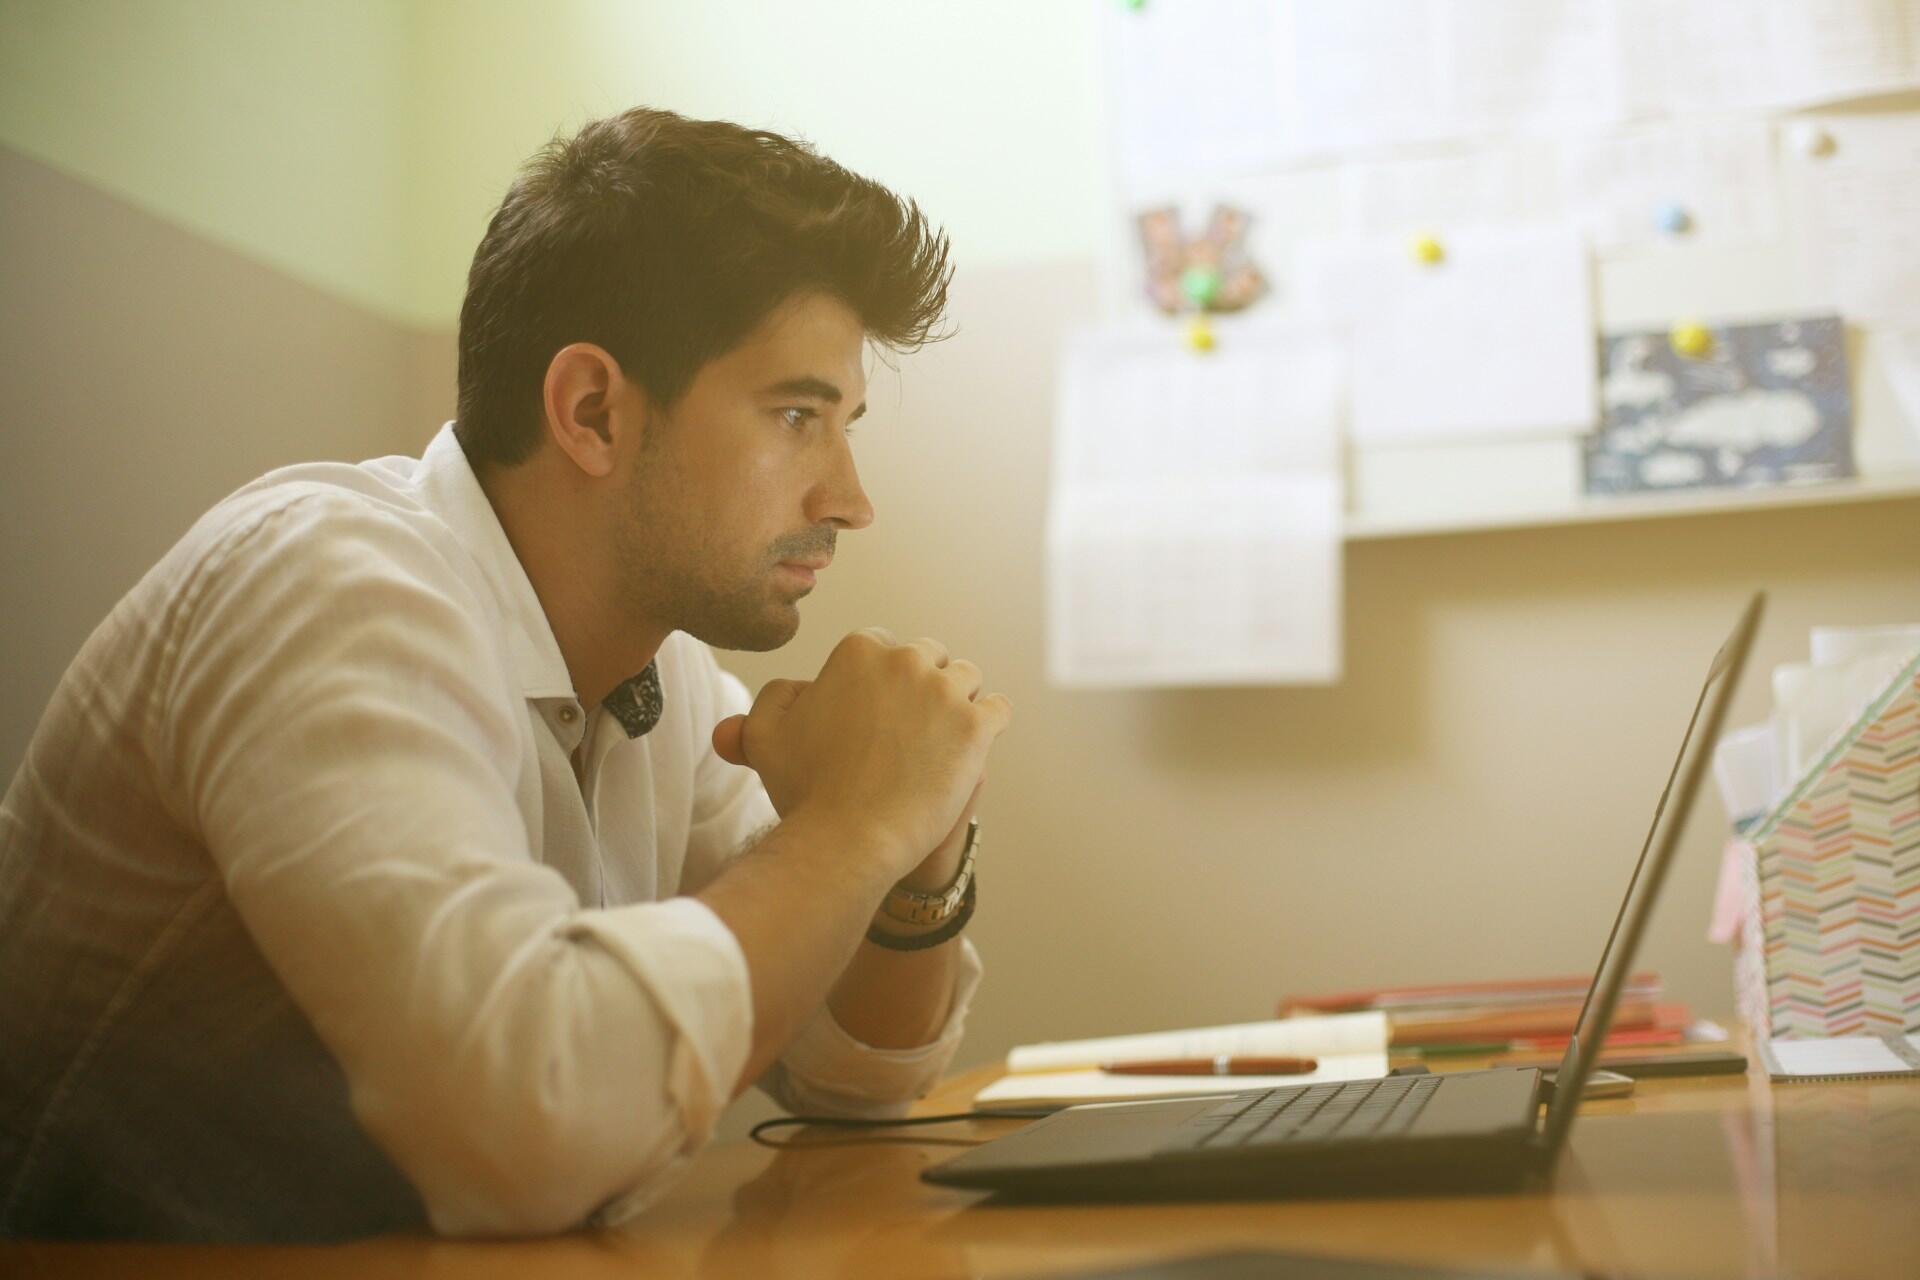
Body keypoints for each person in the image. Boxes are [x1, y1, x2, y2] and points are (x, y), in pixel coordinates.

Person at [0, 107, 1011, 1241]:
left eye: (846, 425)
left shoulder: (665, 672)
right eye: (795, 416)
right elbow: (523, 1117)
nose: (850, 499)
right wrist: (858, 825)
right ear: (591, 411)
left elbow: (850, 1071)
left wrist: (914, 864)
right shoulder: (328, 582)